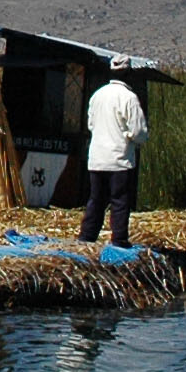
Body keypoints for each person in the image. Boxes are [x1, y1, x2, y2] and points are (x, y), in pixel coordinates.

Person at [80, 62, 149, 248]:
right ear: (128, 74)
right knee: (119, 201)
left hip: (96, 159)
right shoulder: (129, 97)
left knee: (95, 200)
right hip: (119, 160)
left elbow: (91, 125)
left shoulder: (97, 95)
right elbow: (139, 132)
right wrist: (128, 136)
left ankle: (87, 237)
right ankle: (119, 240)